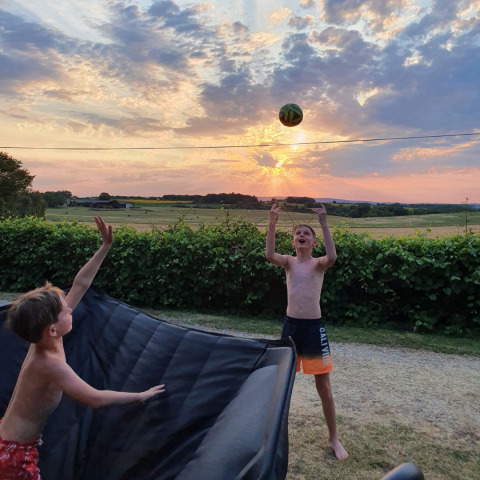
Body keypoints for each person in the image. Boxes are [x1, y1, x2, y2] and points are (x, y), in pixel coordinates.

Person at [0, 216, 165, 480]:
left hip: (8, 440)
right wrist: (139, 396)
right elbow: (94, 398)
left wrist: (104, 247)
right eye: (65, 310)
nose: (70, 308)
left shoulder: (42, 337)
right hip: (14, 452)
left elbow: (80, 285)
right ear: (52, 329)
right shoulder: (50, 364)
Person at [265, 202, 348, 460]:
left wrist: (323, 223)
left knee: (323, 386)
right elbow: (269, 254)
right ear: (293, 242)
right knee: (282, 383)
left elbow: (332, 257)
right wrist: (272, 223)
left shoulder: (318, 264)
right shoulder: (288, 263)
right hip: (291, 328)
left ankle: (333, 438)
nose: (302, 235)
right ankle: (272, 433)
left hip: (313, 329)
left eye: (306, 234)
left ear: (313, 242)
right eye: (298, 234)